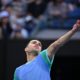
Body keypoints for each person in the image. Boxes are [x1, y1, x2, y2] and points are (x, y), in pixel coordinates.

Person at [13, 20, 80, 80]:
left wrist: (73, 31)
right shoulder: (18, 70)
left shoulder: (43, 57)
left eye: (39, 44)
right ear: (26, 49)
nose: (37, 44)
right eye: (34, 42)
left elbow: (57, 44)